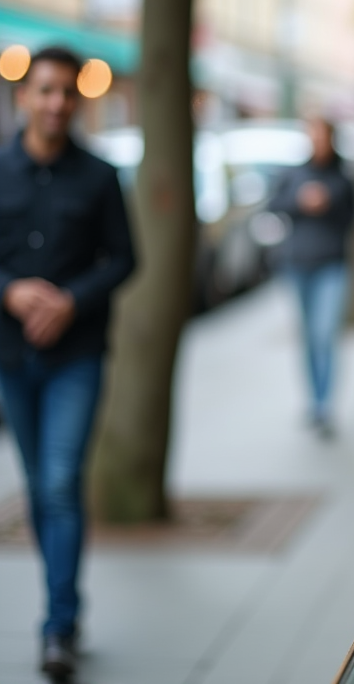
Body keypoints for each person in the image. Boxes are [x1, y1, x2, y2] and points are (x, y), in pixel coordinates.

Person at [0, 46, 136, 678]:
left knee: (58, 482)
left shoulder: (100, 176)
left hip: (77, 355)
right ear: (23, 97)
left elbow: (124, 258)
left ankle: (57, 625)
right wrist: (10, 290)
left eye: (67, 93)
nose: (57, 103)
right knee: (38, 489)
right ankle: (66, 608)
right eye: (46, 91)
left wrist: (71, 301)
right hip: (10, 355)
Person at [268, 117, 354, 438]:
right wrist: (300, 201)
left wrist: (329, 202)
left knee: (325, 334)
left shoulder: (344, 177)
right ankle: (312, 400)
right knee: (307, 337)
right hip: (298, 264)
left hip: (332, 264)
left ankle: (325, 404)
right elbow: (274, 205)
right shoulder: (294, 174)